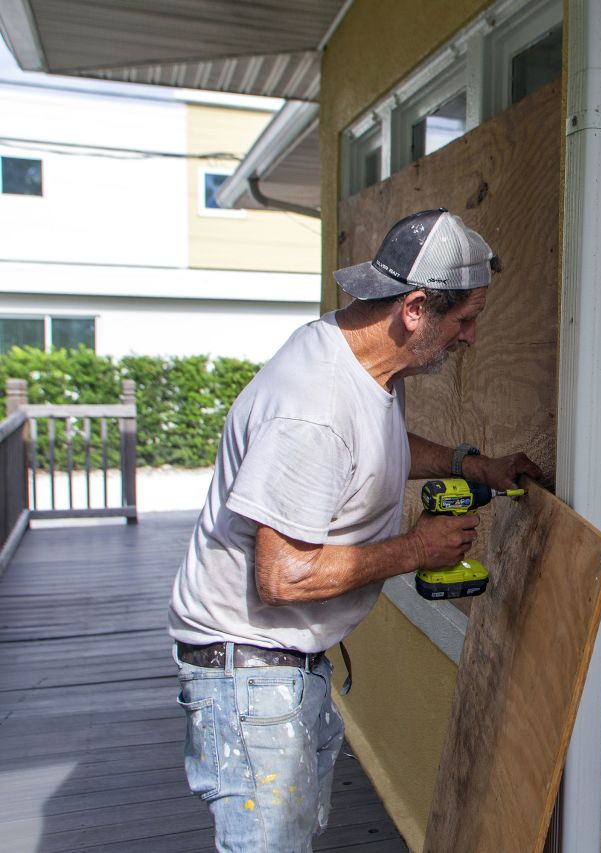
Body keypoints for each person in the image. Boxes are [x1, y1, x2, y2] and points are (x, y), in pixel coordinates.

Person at [167, 208, 540, 851]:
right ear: (415, 308)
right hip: (252, 675)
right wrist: (417, 548)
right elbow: (283, 575)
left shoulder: (356, 358)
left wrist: (467, 464)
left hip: (280, 670)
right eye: (466, 318)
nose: (471, 337)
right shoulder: (312, 409)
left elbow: (375, 447)